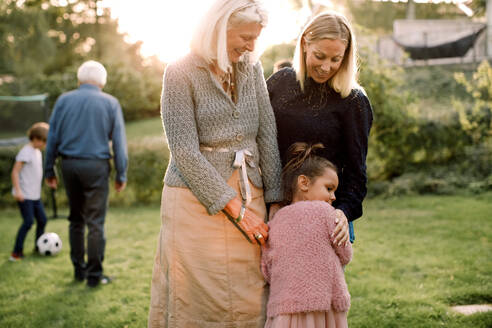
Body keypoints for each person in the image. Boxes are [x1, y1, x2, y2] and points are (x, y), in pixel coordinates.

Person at [148, 0, 282, 326]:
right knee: (195, 295)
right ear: (218, 30)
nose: (252, 46)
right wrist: (234, 209)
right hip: (194, 199)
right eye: (246, 37)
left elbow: (267, 134)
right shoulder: (179, 72)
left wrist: (276, 201)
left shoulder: (252, 68)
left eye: (256, 38)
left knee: (252, 291)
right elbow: (184, 151)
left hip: (252, 190)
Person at [267, 11, 373, 245]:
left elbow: (357, 172)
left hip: (325, 216)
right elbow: (259, 141)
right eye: (320, 56)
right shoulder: (279, 83)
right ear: (305, 43)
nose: (326, 67)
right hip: (273, 209)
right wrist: (271, 201)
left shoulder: (353, 101)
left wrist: (343, 213)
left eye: (336, 59)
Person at [44, 60, 128, 288]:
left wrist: (49, 169)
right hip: (97, 167)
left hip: (69, 165)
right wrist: (121, 174)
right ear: (103, 81)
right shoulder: (111, 103)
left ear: (80, 79)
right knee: (95, 224)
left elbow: (52, 137)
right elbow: (119, 143)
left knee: (76, 221)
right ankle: (94, 276)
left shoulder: (63, 101)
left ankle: (79, 272)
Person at [261, 142, 352, 328]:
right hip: (323, 305)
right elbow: (345, 255)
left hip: (286, 307)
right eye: (329, 188)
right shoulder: (327, 214)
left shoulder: (276, 220)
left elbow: (267, 268)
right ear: (304, 183)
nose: (333, 197)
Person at [9, 122, 49, 261]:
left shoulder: (37, 152)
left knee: (42, 220)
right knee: (28, 222)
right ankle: (16, 253)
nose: (45, 145)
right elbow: (15, 172)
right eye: (45, 141)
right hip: (25, 195)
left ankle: (39, 247)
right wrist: (18, 191)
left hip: (35, 196)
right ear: (37, 139)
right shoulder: (26, 151)